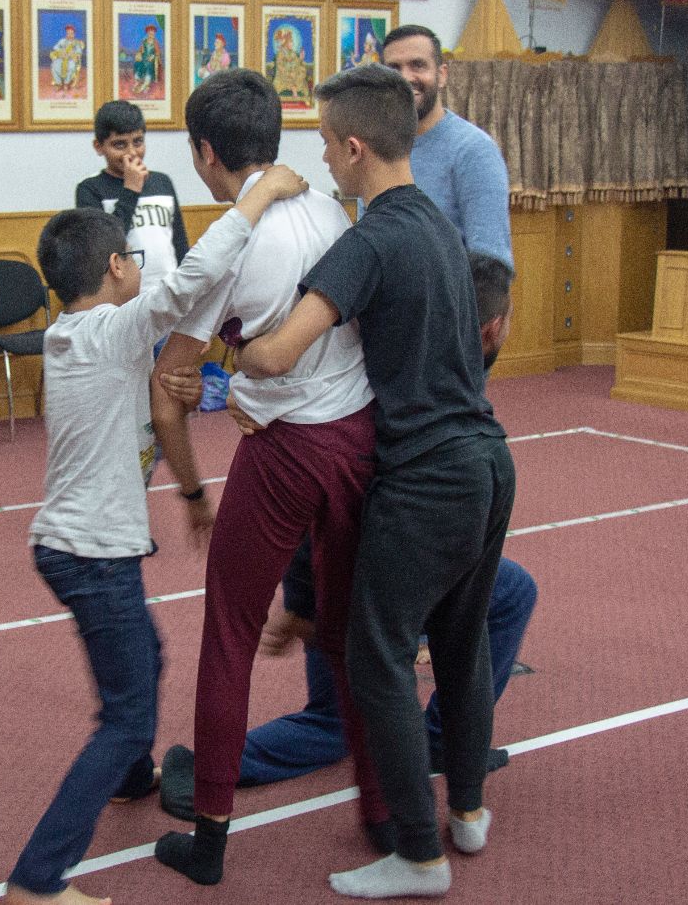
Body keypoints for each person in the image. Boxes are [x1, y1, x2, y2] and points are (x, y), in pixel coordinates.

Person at [236, 64, 515, 898]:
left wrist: (224, 351)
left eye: (324, 144)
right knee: (462, 646)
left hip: (427, 476)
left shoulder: (370, 237)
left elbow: (279, 351)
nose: (321, 160)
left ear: (354, 147)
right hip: (489, 461)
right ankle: (465, 809)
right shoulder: (432, 221)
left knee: (376, 656)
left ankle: (419, 854)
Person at [4, 166, 307, 905]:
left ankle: (131, 775)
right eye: (135, 259)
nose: (143, 272)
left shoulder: (72, 338)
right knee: (127, 713)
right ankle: (37, 881)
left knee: (147, 653)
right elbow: (192, 280)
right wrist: (256, 199)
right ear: (115, 267)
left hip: (73, 548)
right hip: (93, 555)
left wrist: (191, 479)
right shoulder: (114, 329)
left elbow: (146, 413)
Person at [158, 252, 536, 814]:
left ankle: (428, 739)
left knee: (496, 598)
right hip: (353, 557)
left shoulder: (396, 356)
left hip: (345, 545)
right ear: (491, 330)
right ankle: (431, 744)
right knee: (496, 599)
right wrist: (305, 603)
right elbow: (331, 493)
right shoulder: (429, 387)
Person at [150, 69, 388, 886]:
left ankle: (211, 838)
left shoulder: (227, 243)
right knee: (358, 636)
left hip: (285, 450)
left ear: (203, 152)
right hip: (359, 437)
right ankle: (386, 816)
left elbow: (169, 390)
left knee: (229, 635)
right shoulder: (336, 208)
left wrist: (190, 492)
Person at [381, 25, 513, 268]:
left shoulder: (474, 151)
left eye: (418, 65)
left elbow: (491, 268)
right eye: (394, 69)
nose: (405, 78)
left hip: (453, 305)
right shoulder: (379, 148)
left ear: (442, 75)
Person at [74, 100, 187, 289]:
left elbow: (179, 242)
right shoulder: (89, 189)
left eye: (138, 141)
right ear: (99, 146)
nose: (132, 152)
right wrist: (130, 190)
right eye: (119, 145)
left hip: (169, 289)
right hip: (123, 296)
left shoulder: (162, 182)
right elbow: (103, 245)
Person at [48, 23, 85, 96]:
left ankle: (66, 83)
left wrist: (72, 53)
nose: (69, 34)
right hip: (62, 58)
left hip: (71, 59)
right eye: (68, 33)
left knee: (71, 67)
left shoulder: (76, 43)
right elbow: (55, 47)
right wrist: (62, 51)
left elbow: (79, 52)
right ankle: (58, 83)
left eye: (71, 33)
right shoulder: (62, 41)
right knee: (54, 65)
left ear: (74, 34)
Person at [131, 24, 160, 97]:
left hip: (151, 59)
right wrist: (139, 54)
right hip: (144, 57)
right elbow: (140, 50)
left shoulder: (155, 42)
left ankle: (146, 84)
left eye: (152, 33)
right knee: (138, 64)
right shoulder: (144, 41)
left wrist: (153, 56)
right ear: (147, 34)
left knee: (149, 65)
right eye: (150, 33)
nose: (151, 35)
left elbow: (157, 52)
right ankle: (138, 80)